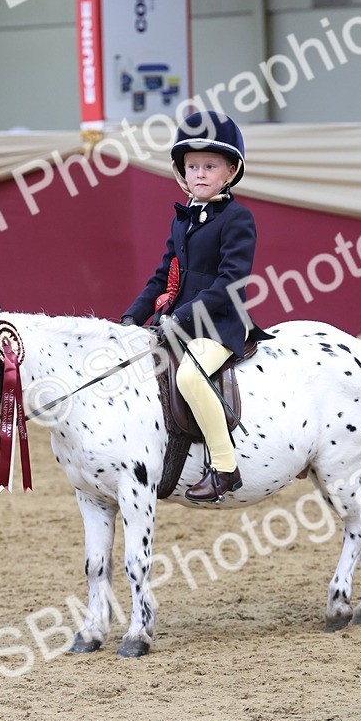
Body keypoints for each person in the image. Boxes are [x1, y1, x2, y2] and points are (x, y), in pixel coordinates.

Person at [121, 111, 267, 503]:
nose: (200, 174)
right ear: (181, 172)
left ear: (231, 170)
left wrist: (180, 318)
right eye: (192, 167)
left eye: (210, 166)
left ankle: (223, 467)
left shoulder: (238, 219)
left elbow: (229, 283)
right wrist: (133, 316)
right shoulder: (181, 220)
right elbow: (162, 275)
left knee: (188, 377)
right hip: (177, 322)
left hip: (219, 325)